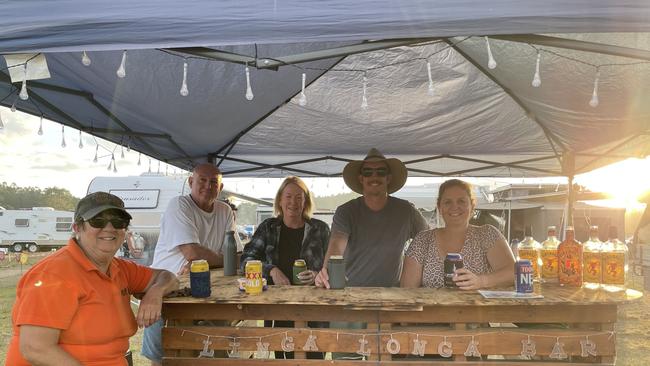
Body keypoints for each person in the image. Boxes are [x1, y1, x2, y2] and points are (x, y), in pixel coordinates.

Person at [5, 192, 178, 366]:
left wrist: (155, 292)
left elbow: (167, 277)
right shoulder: (54, 275)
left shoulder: (119, 268)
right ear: (77, 228)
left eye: (119, 221)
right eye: (98, 220)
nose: (110, 228)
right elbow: (35, 349)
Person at [142, 162, 237, 366]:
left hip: (203, 293)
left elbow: (236, 255)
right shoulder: (179, 204)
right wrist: (219, 260)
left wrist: (207, 261)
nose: (207, 186)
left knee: (200, 353)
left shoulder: (225, 210)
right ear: (190, 182)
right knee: (162, 356)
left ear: (220, 188)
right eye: (202, 180)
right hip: (167, 290)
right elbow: (192, 252)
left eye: (213, 182)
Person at [240, 176, 330, 359]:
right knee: (284, 358)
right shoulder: (268, 227)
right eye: (288, 196)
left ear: (305, 201)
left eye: (299, 197)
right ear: (280, 200)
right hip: (279, 309)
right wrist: (271, 270)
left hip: (314, 310)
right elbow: (246, 260)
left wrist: (318, 275)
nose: (293, 202)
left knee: (315, 359)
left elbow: (336, 264)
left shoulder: (320, 229)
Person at [315, 148, 428, 288]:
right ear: (361, 179)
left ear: (388, 178)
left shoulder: (407, 211)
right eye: (368, 172)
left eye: (381, 172)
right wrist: (327, 271)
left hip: (393, 295)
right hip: (353, 293)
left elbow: (428, 240)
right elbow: (337, 244)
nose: (374, 176)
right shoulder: (346, 211)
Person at [401, 179, 515, 289]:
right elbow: (407, 290)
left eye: (461, 201)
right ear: (440, 208)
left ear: (472, 206)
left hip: (478, 308)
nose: (454, 207)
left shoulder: (487, 234)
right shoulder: (422, 240)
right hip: (432, 308)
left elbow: (514, 273)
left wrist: (481, 281)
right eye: (447, 202)